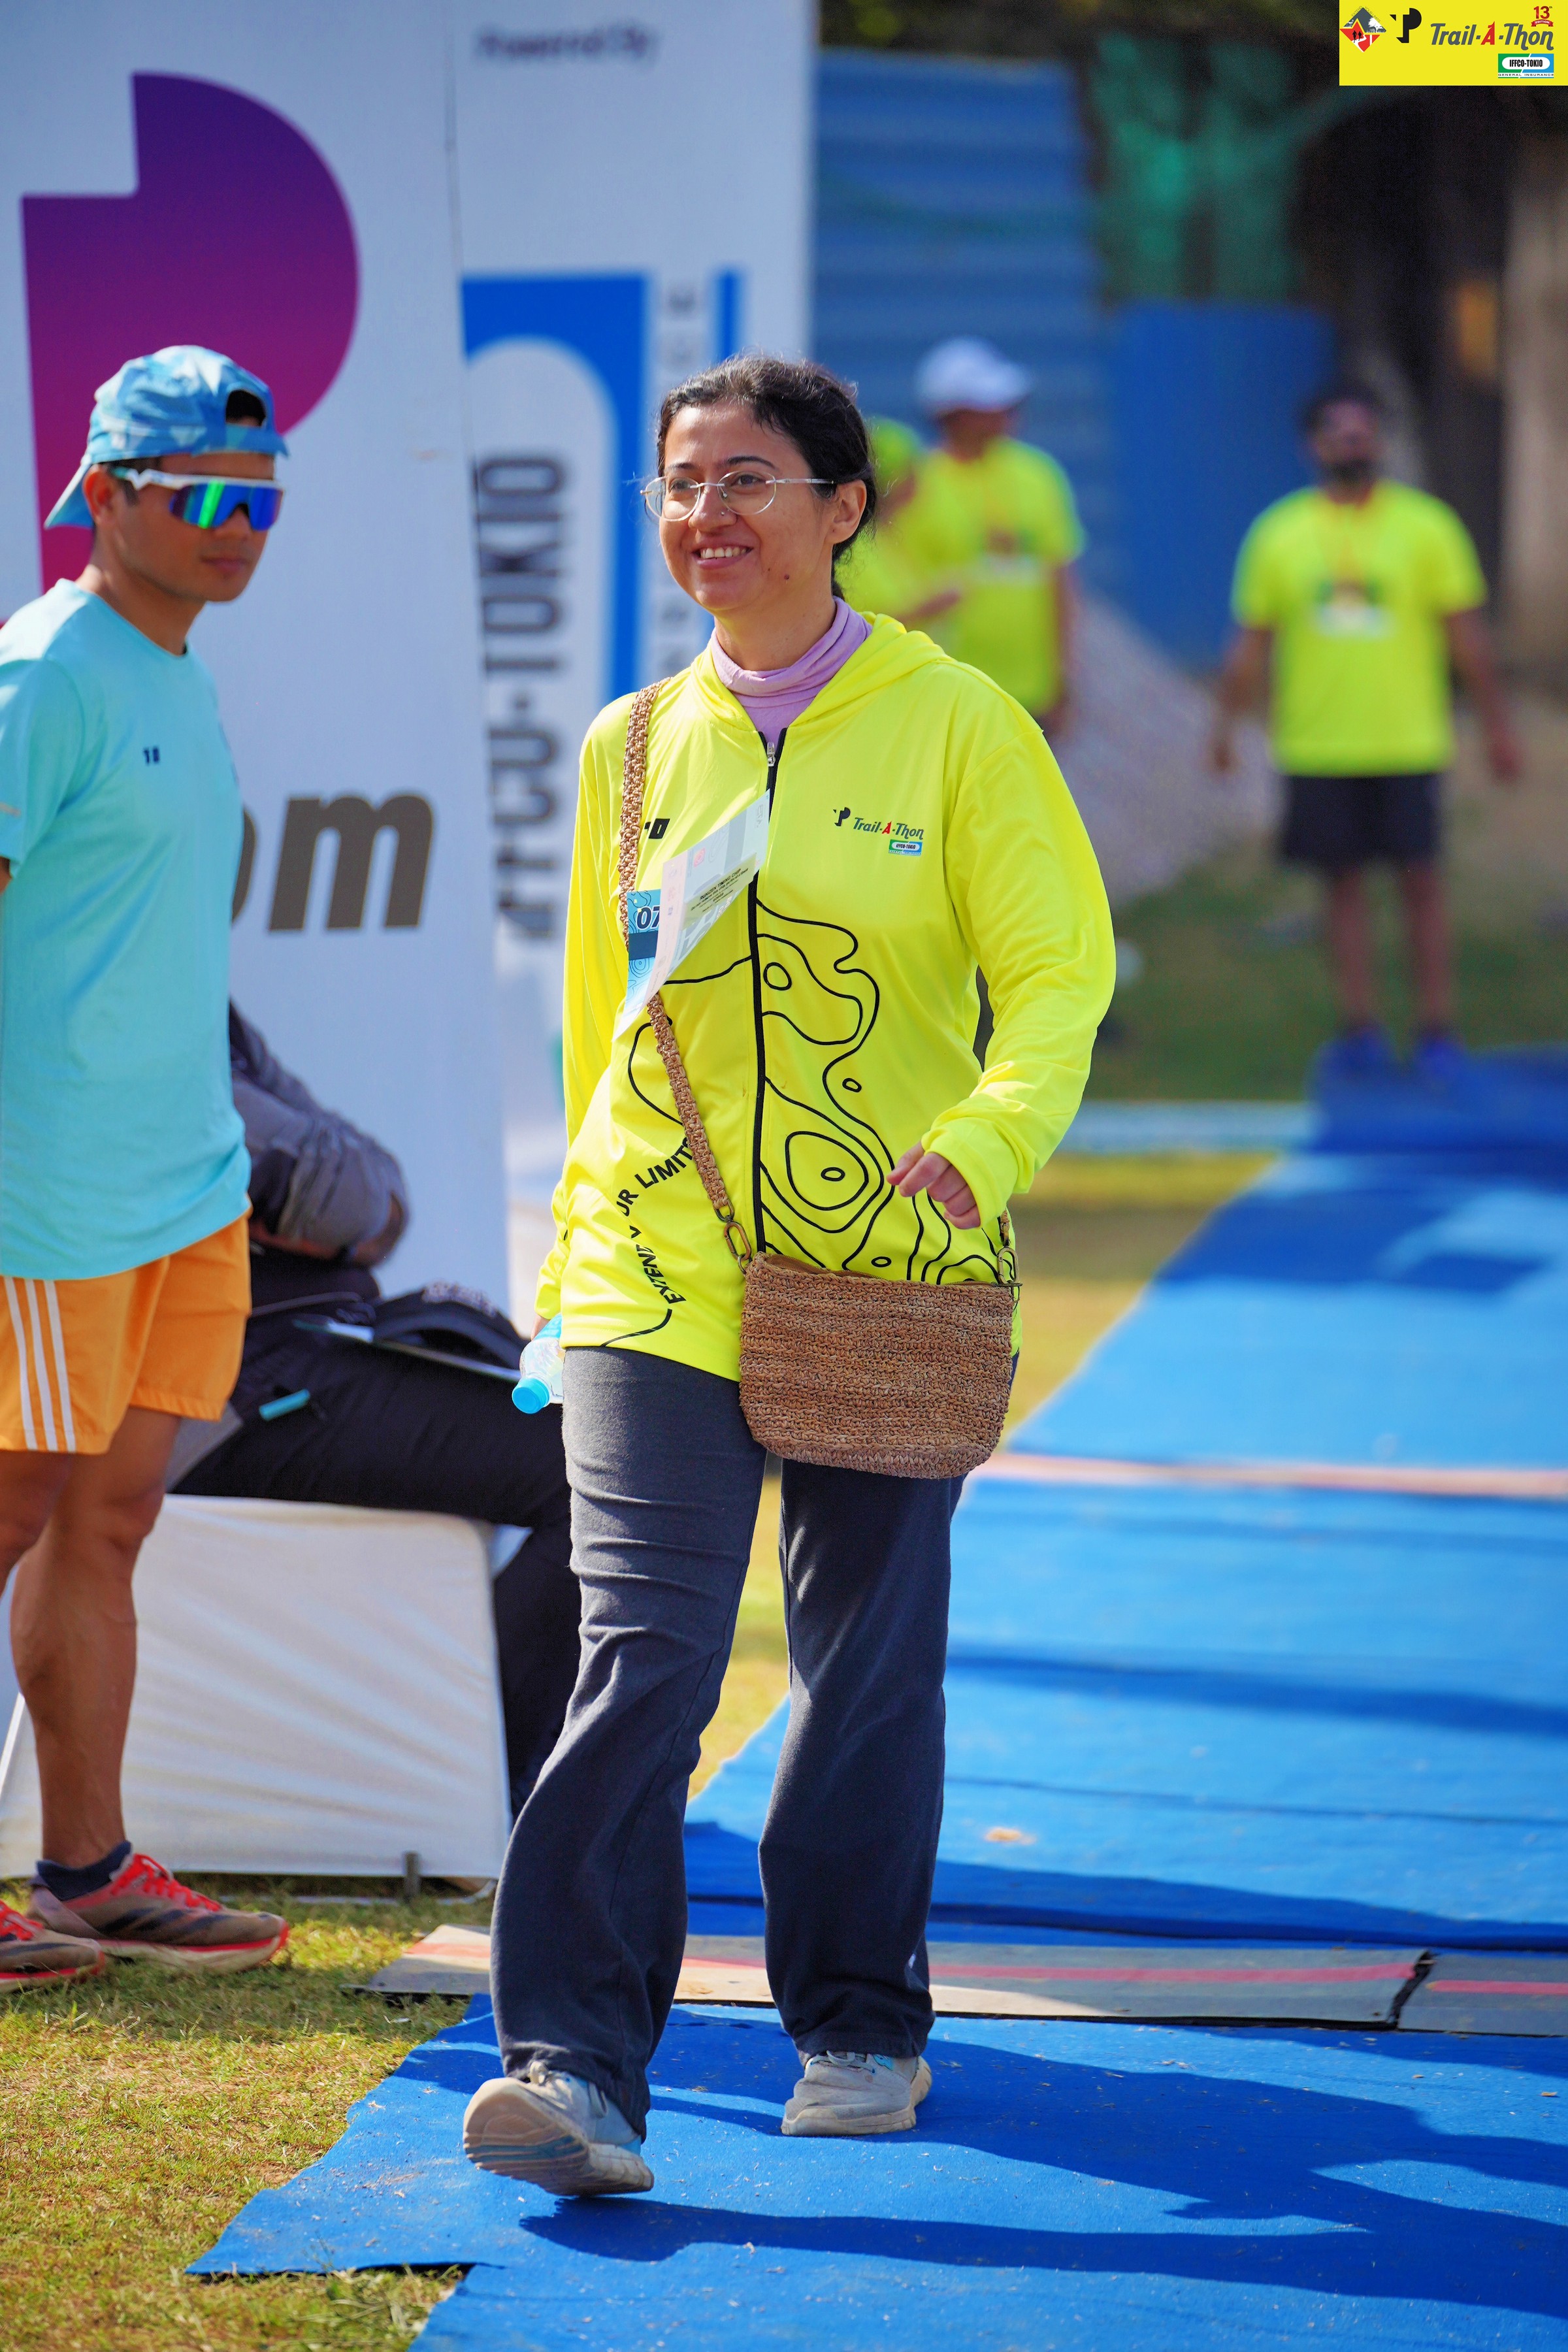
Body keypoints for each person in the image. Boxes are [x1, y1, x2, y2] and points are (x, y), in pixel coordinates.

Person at [461, 355, 1113, 2196]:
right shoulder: (627, 746)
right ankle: (573, 2066)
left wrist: (988, 1137)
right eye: (682, 483)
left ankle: (855, 2018)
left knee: (861, 1664)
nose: (705, 514)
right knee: (642, 1650)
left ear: (842, 509)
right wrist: (564, 1274)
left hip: (890, 1257)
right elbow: (604, 1033)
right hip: (652, 1267)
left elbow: (1055, 978)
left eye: (747, 478)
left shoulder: (960, 723)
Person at [0, 348, 291, 1993]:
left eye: (259, 502)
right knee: (9, 1508)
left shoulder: (172, 668)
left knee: (106, 1522)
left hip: (182, 1187)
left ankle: (88, 1868)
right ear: (107, 495)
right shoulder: (45, 675)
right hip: (45, 1197)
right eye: (202, 498)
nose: (236, 529)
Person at [172, 1009, 580, 1813]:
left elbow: (371, 1195)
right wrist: (336, 1202)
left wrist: (334, 1200)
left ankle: (499, 1792)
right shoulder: (142, 1008)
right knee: (581, 1466)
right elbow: (352, 1198)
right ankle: (486, 1801)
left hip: (304, 1350)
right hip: (226, 1388)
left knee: (591, 1439)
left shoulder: (206, 1010)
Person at [1211, 383, 1523, 1083]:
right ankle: (1362, 1029)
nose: (1351, 442)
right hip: (1320, 745)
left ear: (1380, 440)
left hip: (1406, 741)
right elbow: (1251, 642)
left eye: (1363, 430)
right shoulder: (1279, 534)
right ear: (1312, 445)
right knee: (1341, 888)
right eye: (1336, 431)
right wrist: (1224, 727)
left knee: (1422, 884)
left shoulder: (1427, 527)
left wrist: (1497, 727)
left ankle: (1437, 1029)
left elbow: (1466, 635)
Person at [898, 336, 1084, 740]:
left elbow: (1061, 580)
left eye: (1007, 403)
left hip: (1031, 692)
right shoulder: (914, 485)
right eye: (989, 405)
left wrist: (1065, 676)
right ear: (951, 414)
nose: (1006, 412)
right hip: (946, 691)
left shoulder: (1039, 475)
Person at [836, 417, 956, 632]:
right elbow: (855, 628)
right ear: (890, 480)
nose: (919, 482)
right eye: (910, 472)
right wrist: (928, 609)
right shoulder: (854, 545)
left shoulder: (888, 534)